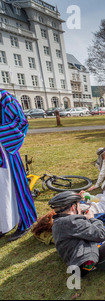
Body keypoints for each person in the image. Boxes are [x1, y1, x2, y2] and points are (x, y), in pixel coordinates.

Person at [0, 89, 37, 242]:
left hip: (6, 151)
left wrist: (2, 134)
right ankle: (3, 224)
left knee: (14, 187)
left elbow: (21, 121)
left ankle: (26, 221)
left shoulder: (4, 97)